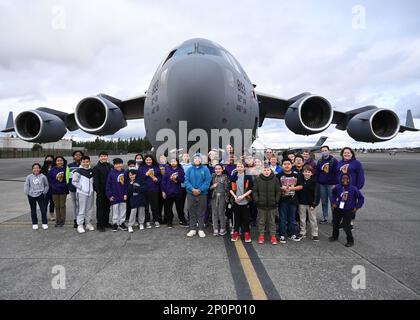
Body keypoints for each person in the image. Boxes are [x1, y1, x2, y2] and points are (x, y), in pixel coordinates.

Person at [329, 174, 364, 247]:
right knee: (335, 223)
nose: (345, 180)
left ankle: (350, 240)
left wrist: (357, 207)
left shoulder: (354, 189)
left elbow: (361, 198)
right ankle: (335, 236)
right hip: (338, 208)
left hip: (349, 210)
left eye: (347, 178)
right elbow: (333, 194)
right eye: (343, 178)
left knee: (346, 226)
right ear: (340, 179)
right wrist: (333, 202)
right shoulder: (338, 187)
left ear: (350, 179)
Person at [336, 147, 365, 227]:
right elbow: (337, 174)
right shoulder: (339, 163)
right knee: (341, 204)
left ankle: (350, 222)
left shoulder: (356, 163)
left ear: (352, 154)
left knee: (351, 206)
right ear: (342, 154)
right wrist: (336, 185)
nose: (346, 154)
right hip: (341, 188)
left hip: (352, 188)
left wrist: (358, 187)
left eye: (348, 153)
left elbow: (360, 175)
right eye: (345, 153)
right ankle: (343, 221)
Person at [185, 153, 211, 238]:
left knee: (201, 211)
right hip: (191, 193)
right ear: (193, 160)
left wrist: (200, 190)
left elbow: (207, 181)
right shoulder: (189, 169)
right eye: (195, 158)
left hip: (202, 194)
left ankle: (200, 229)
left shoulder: (205, 169)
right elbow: (186, 181)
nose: (197, 160)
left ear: (201, 160)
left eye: (198, 158)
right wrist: (192, 189)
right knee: (191, 211)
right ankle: (192, 229)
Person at [253, 164, 280, 245]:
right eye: (264, 170)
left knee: (272, 221)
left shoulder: (275, 179)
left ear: (270, 170)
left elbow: (278, 191)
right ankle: (261, 235)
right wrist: (257, 200)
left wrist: (276, 200)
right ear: (261, 171)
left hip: (272, 205)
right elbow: (254, 191)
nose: (266, 171)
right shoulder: (257, 179)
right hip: (261, 205)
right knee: (261, 221)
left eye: (268, 170)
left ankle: (273, 236)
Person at [277, 158, 303, 243]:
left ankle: (291, 234)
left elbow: (301, 186)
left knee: (292, 219)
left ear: (291, 165)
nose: (287, 165)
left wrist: (292, 188)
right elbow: (276, 187)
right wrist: (282, 188)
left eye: (288, 164)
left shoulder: (296, 175)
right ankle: (282, 234)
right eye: (285, 164)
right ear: (282, 165)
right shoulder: (279, 175)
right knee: (283, 218)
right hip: (283, 200)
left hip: (293, 200)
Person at [229, 162, 253, 243]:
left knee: (246, 219)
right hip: (236, 201)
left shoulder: (248, 177)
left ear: (244, 168)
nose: (239, 168)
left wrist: (243, 196)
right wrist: (235, 197)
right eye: (238, 166)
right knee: (236, 218)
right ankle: (235, 233)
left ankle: (246, 233)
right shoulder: (233, 176)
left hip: (245, 200)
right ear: (236, 168)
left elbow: (250, 189)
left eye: (241, 166)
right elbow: (230, 189)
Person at [297, 165, 321, 241]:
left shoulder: (315, 182)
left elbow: (317, 194)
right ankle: (302, 232)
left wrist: (314, 204)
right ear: (303, 172)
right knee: (302, 218)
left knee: (313, 219)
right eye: (305, 172)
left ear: (312, 173)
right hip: (302, 202)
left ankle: (315, 234)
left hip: (311, 204)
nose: (307, 173)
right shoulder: (300, 180)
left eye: (308, 172)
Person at [72, 156, 95, 234]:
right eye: (84, 162)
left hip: (90, 193)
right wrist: (81, 187)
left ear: (89, 162)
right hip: (82, 193)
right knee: (81, 209)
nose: (85, 163)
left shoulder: (92, 170)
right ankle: (80, 225)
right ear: (81, 162)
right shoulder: (78, 171)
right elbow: (74, 182)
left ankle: (88, 223)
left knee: (89, 209)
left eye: (87, 162)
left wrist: (91, 190)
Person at [162, 158, 187, 228]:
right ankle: (169, 221)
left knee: (180, 208)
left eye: (174, 161)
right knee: (168, 208)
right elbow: (163, 181)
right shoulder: (167, 169)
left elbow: (183, 180)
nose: (173, 162)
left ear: (177, 162)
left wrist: (176, 179)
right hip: (168, 191)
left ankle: (182, 220)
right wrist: (163, 191)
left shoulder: (180, 170)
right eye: (172, 161)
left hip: (178, 192)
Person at [139, 155, 162, 228]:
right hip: (145, 190)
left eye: (150, 160)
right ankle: (147, 221)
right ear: (144, 160)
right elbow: (139, 179)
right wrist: (146, 175)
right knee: (146, 207)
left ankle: (156, 220)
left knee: (155, 206)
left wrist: (157, 180)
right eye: (147, 160)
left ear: (152, 160)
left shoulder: (156, 167)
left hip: (154, 190)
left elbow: (160, 178)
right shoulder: (141, 168)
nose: (148, 161)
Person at [316, 146, 338, 224]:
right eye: (322, 151)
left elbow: (337, 173)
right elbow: (318, 173)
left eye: (325, 150)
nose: (324, 152)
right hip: (322, 185)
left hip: (331, 185)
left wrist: (336, 184)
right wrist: (318, 182)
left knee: (333, 202)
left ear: (329, 151)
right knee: (324, 202)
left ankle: (335, 218)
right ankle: (325, 217)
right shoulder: (319, 161)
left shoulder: (334, 161)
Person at [106, 158, 129, 232]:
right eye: (116, 164)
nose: (118, 165)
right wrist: (109, 195)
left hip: (123, 195)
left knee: (123, 209)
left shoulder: (125, 173)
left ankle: (121, 223)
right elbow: (108, 185)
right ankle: (115, 223)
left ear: (122, 164)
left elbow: (127, 185)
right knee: (115, 210)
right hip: (115, 195)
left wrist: (126, 193)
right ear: (114, 165)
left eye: (120, 163)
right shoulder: (111, 173)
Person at [24, 163, 49, 230]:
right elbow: (26, 185)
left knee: (43, 210)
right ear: (32, 169)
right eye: (34, 168)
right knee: (33, 210)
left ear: (40, 169)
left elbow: (46, 185)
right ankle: (34, 223)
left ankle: (44, 223)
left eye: (37, 168)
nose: (36, 169)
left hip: (40, 195)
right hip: (31, 195)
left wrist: (44, 192)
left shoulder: (43, 176)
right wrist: (27, 192)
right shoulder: (29, 177)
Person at [93, 151, 113, 232]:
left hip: (109, 192)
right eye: (102, 156)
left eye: (105, 156)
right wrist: (98, 191)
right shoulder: (96, 167)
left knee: (107, 208)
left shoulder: (110, 166)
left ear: (107, 157)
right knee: (100, 208)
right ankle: (100, 224)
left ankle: (106, 222)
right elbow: (96, 181)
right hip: (101, 192)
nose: (104, 157)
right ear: (99, 157)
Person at [47, 156, 69, 227]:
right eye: (58, 160)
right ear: (55, 162)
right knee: (57, 206)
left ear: (63, 161)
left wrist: (63, 186)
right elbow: (49, 180)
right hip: (54, 191)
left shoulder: (66, 169)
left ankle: (62, 220)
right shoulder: (52, 170)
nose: (59, 162)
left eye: (61, 160)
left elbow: (68, 179)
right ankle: (58, 220)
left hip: (63, 190)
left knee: (62, 205)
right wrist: (53, 186)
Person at [209, 164, 229, 236]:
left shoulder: (225, 177)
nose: (217, 170)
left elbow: (227, 188)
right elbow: (208, 187)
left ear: (222, 169)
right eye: (216, 169)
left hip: (222, 196)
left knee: (221, 212)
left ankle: (223, 228)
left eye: (219, 169)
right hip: (214, 196)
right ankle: (215, 228)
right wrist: (212, 186)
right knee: (214, 213)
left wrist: (228, 198)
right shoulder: (212, 176)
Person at [68, 151, 84, 228]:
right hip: (73, 188)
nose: (78, 156)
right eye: (76, 155)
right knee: (75, 205)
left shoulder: (84, 165)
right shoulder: (69, 166)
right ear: (73, 156)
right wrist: (69, 186)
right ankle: (75, 219)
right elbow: (67, 177)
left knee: (81, 205)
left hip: (81, 189)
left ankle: (81, 219)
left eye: (80, 155)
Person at [41, 154, 55, 221]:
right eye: (47, 159)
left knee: (52, 202)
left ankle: (51, 214)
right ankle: (44, 215)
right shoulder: (43, 168)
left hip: (53, 187)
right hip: (45, 188)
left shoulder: (55, 167)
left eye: (50, 159)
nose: (49, 160)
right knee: (45, 202)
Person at [180, 153, 192, 224]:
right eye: (184, 156)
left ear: (189, 157)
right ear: (182, 157)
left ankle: (190, 217)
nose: (185, 157)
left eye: (187, 156)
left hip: (190, 186)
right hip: (182, 186)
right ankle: (182, 218)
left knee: (190, 203)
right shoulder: (180, 165)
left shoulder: (191, 165)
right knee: (181, 203)